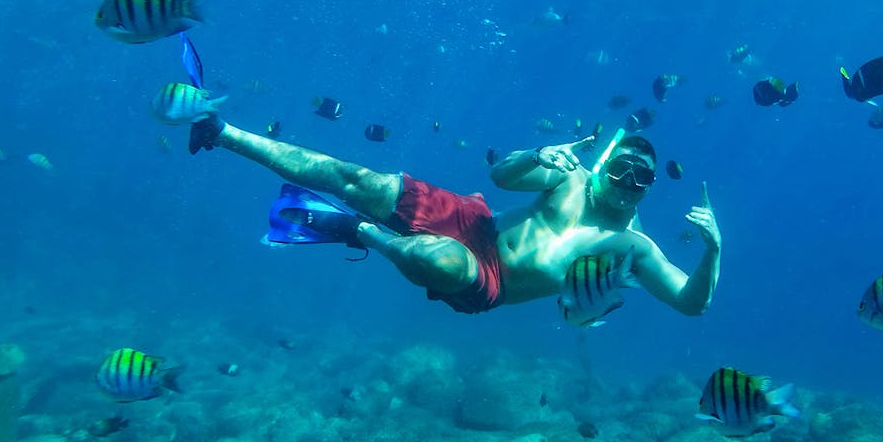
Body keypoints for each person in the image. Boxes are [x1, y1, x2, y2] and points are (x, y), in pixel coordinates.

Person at [188, 116, 721, 316]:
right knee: (362, 180)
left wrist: (714, 250)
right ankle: (223, 132)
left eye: (642, 179)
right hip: (476, 220)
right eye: (624, 168)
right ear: (608, 163)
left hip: (489, 281)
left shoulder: (636, 248)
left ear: (649, 189)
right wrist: (536, 155)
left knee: (439, 263)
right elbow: (502, 178)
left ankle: (358, 232)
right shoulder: (572, 175)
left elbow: (690, 303)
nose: (629, 183)